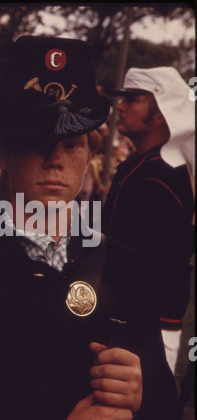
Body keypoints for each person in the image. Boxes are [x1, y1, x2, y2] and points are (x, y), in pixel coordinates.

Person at [0, 36, 177, 420]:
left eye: (72, 144)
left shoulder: (126, 266)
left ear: (89, 155)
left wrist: (144, 393)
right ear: (2, 152)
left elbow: (166, 419)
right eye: (36, 143)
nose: (56, 160)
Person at [102, 67, 195, 373]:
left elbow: (158, 264)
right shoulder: (139, 168)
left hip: (148, 327)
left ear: (159, 113)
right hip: (125, 319)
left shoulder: (162, 177)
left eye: (133, 98)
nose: (121, 106)